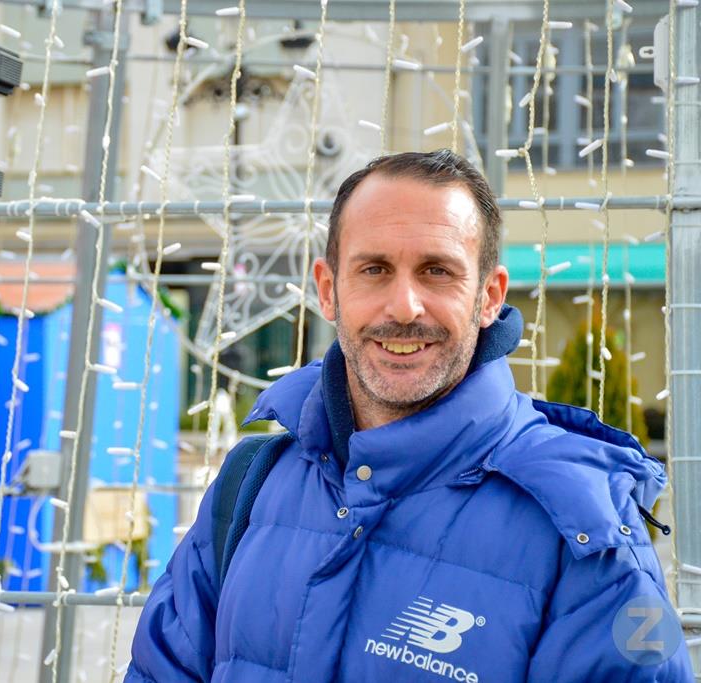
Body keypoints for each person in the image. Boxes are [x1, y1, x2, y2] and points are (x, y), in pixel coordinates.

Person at [126, 150, 694, 682]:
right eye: (373, 269)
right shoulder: (252, 482)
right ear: (328, 290)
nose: (404, 307)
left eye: (437, 271)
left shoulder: (583, 527)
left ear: (490, 296)